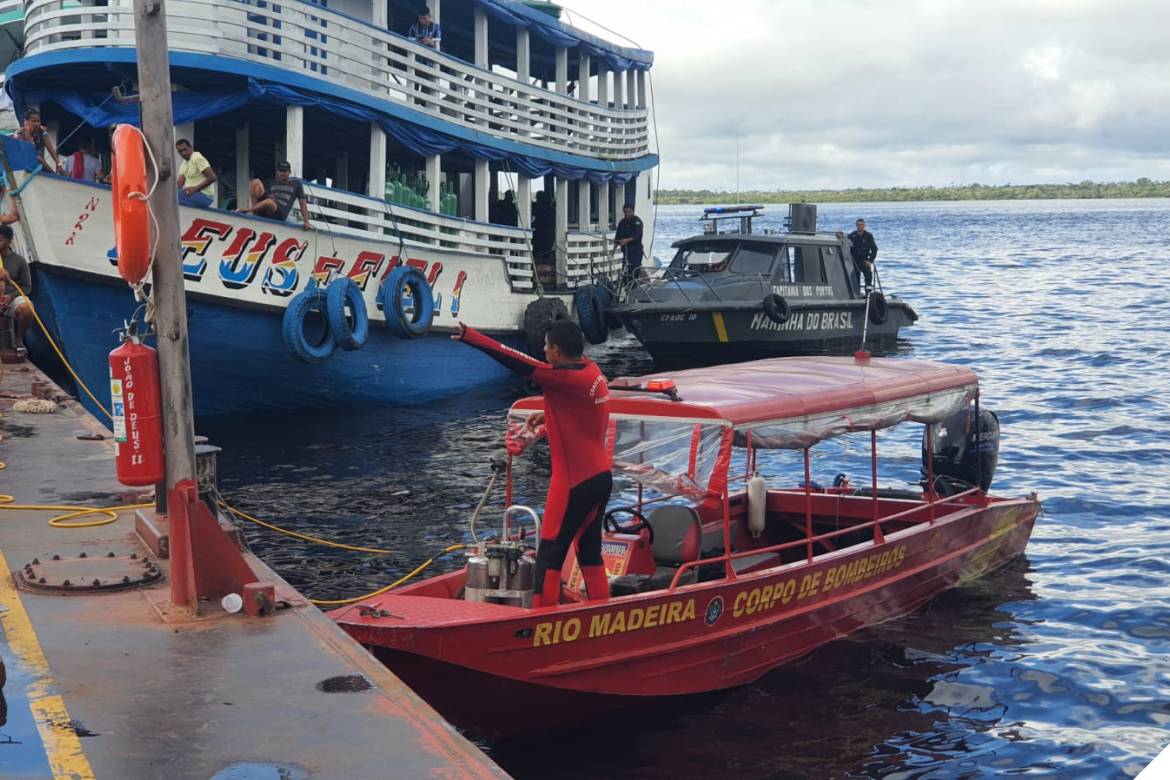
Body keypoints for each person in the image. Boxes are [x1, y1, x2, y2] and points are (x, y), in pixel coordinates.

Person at [453, 319, 612, 608]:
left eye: (545, 346)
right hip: (601, 478)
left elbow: (516, 360)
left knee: (549, 554)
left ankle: (542, 620)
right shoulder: (592, 371)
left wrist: (471, 337)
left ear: (556, 350)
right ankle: (605, 611)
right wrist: (546, 414)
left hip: (574, 482)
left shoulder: (563, 379)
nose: (542, 350)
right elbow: (580, 413)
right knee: (589, 550)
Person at [237, 161, 311, 230]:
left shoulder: (296, 184)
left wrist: (306, 221)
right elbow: (266, 197)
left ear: (289, 172)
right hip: (267, 208)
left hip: (279, 214)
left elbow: (302, 203)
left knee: (269, 202)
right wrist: (268, 196)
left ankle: (246, 210)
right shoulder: (271, 183)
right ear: (277, 171)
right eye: (280, 171)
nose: (282, 173)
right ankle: (255, 214)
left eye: (284, 171)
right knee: (256, 182)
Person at [0, 225, 34, 359]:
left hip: (11, 299)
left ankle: (19, 340)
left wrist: (10, 296)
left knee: (27, 308)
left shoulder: (19, 261)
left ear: (9, 241)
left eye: (0, 240)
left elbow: (27, 287)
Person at [14, 109, 63, 174]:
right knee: (38, 158)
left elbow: (51, 150)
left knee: (39, 158)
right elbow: (30, 149)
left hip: (39, 166)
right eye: (33, 121)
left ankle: (60, 174)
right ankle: (53, 174)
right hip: (24, 166)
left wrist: (59, 164)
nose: (37, 123)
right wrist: (27, 132)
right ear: (26, 121)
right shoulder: (20, 133)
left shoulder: (42, 132)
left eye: (38, 121)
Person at [175, 138, 217, 208]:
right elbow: (179, 184)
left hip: (204, 196)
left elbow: (213, 177)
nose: (183, 153)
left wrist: (195, 189)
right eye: (180, 151)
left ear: (191, 148)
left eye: (185, 149)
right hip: (192, 194)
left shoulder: (197, 158)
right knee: (170, 197)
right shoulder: (184, 163)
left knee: (175, 199)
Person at [614, 203, 644, 286]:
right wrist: (612, 252)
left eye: (629, 212)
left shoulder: (637, 221)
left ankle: (634, 287)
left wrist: (627, 240)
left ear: (633, 211)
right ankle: (627, 287)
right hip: (626, 252)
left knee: (635, 270)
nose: (627, 214)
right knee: (626, 271)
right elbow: (617, 237)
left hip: (636, 252)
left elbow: (638, 235)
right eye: (625, 212)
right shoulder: (622, 223)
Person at [846, 218, 877, 293]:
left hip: (865, 260)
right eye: (858, 225)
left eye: (861, 225)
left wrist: (870, 261)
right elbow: (844, 242)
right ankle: (856, 293)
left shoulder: (868, 236)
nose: (859, 226)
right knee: (855, 278)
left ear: (864, 226)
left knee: (868, 276)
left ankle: (868, 293)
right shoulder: (852, 235)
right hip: (854, 261)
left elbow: (874, 249)